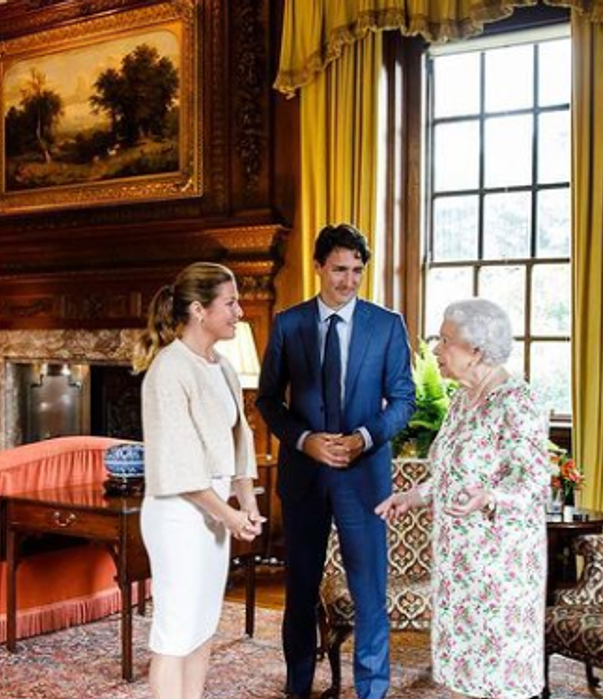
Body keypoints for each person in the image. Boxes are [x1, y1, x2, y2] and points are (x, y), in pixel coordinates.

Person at [256, 223, 416, 699]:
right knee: (300, 591)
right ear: (319, 267)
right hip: (304, 476)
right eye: (340, 269)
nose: (348, 280)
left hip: (364, 477)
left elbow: (404, 399)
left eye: (357, 271)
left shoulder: (387, 324)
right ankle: (297, 687)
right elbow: (268, 401)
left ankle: (372, 690)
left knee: (369, 593)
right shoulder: (289, 324)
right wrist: (304, 440)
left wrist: (365, 438)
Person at [375, 298, 549, 699]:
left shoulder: (516, 402)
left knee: (498, 668)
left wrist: (490, 497)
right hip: (459, 559)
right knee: (467, 669)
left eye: (445, 340)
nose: (436, 350)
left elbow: (537, 483)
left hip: (500, 564)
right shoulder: (462, 399)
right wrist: (414, 495)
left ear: (476, 350)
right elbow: (451, 474)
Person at [133, 262, 265, 699]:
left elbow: (240, 438)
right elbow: (180, 466)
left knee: (203, 624)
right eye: (230, 303)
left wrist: (246, 502)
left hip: (213, 513)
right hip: (178, 516)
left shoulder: (222, 366)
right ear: (198, 310)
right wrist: (228, 514)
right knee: (176, 630)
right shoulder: (168, 370)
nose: (239, 312)